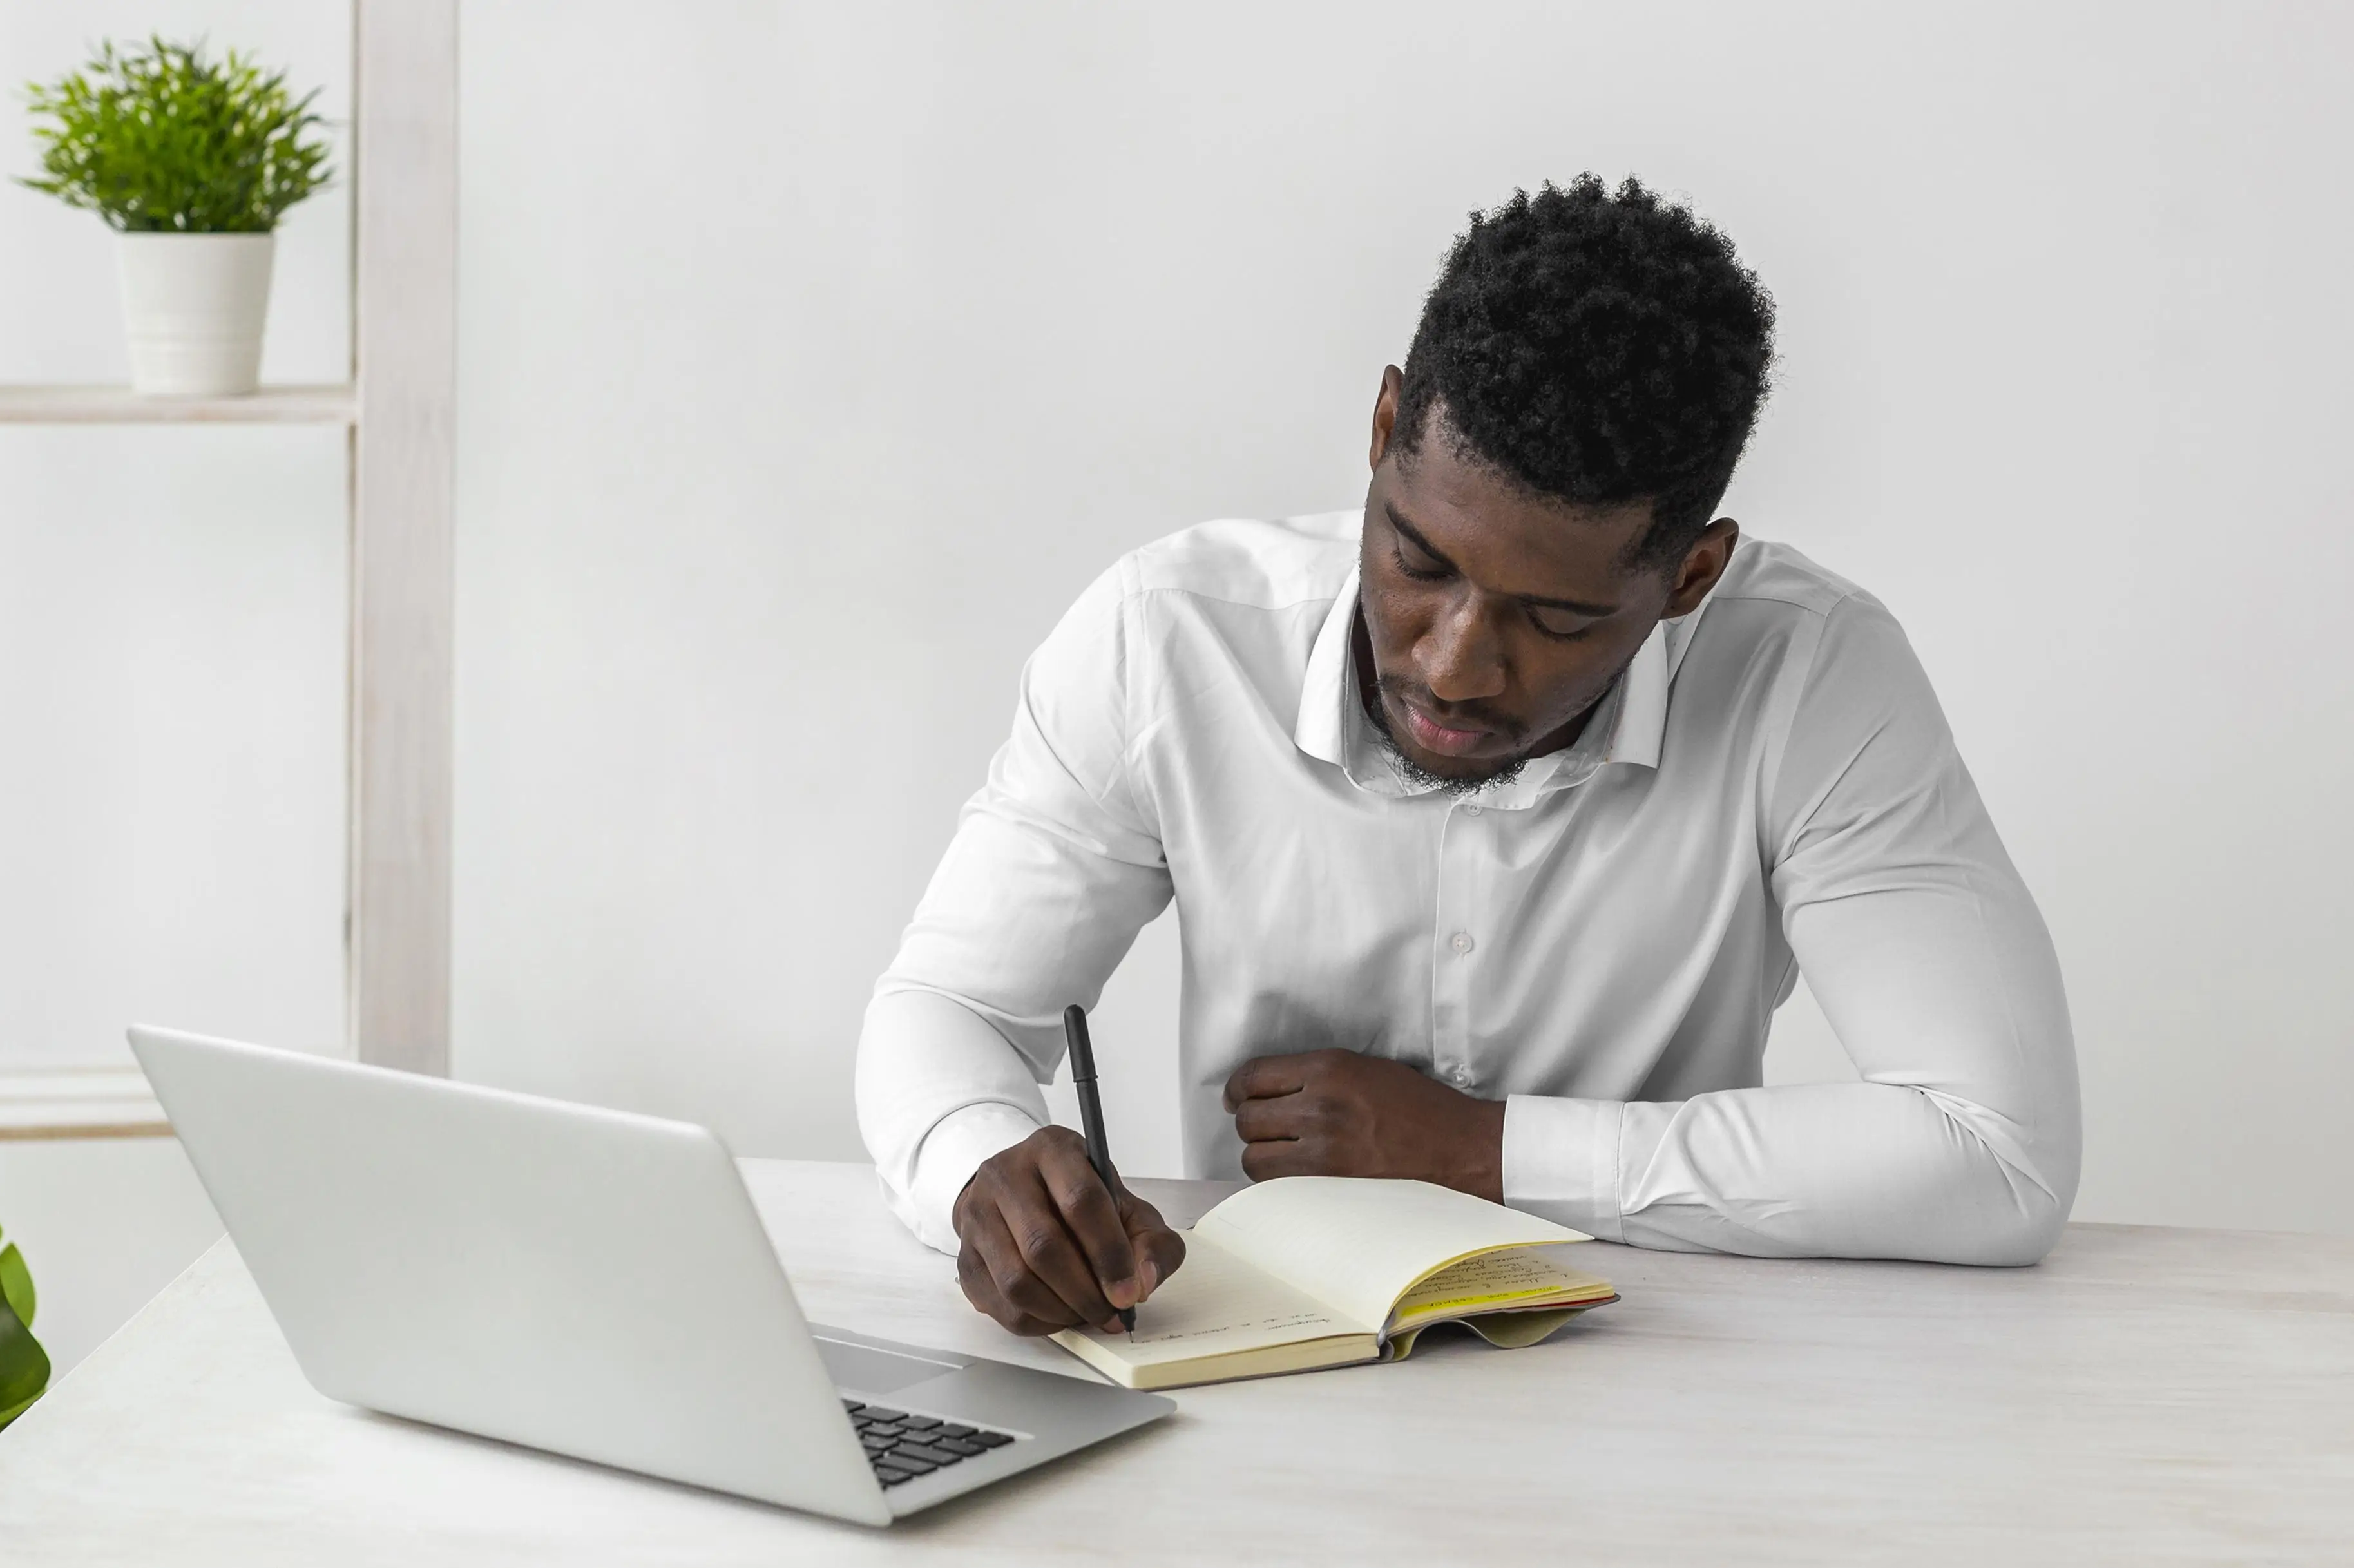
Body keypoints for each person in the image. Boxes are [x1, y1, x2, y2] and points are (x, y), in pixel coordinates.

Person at [854, 175, 2079, 1339]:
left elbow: (1995, 1151)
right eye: (1420, 562)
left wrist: (1481, 1150)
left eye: (1554, 621)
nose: (1452, 666)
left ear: (1688, 580)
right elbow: (951, 1006)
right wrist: (980, 1170)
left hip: (1664, 1392)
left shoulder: (1810, 674)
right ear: (1385, 428)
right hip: (1245, 1372)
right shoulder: (1164, 641)